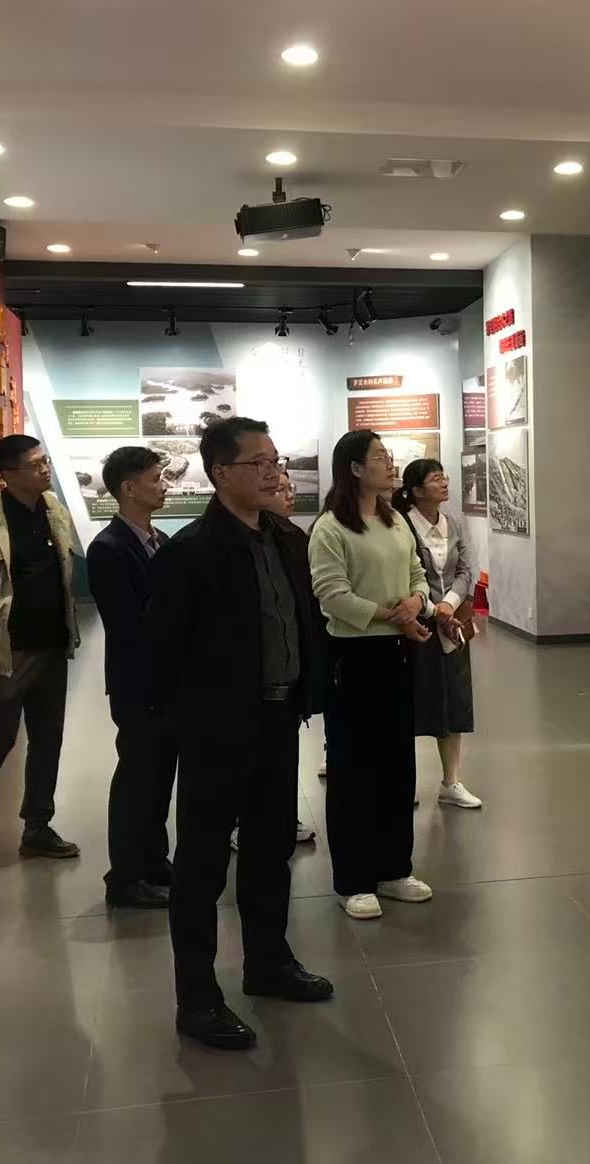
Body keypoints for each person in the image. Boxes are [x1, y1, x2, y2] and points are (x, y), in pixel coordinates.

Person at [144, 417, 334, 1050]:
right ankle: (197, 998)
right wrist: (187, 726)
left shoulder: (286, 538)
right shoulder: (190, 552)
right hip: (216, 731)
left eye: (276, 460)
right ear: (221, 473)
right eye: (259, 463)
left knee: (270, 848)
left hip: (279, 719)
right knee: (201, 866)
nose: (273, 472)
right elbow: (162, 653)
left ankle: (268, 962)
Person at [309, 430, 434, 921]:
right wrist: (391, 615)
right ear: (355, 468)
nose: (389, 463)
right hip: (353, 656)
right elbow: (331, 595)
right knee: (353, 769)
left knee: (397, 764)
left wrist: (417, 602)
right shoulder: (330, 528)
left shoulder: (394, 518)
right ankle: (354, 879)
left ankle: (394, 868)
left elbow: (417, 573)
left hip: (397, 653)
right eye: (380, 457)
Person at [0, 435, 84, 867]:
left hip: (52, 644)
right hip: (7, 651)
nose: (45, 470)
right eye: (35, 464)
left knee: (48, 740)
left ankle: (37, 827)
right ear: (8, 474)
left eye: (45, 462)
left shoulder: (54, 511)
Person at [88, 446, 177, 908]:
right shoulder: (108, 548)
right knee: (137, 780)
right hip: (137, 683)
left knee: (159, 779)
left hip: (166, 682)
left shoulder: (159, 539)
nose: (164, 486)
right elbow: (128, 624)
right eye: (156, 478)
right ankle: (124, 876)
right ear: (128, 487)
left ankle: (154, 861)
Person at [392, 459, 483, 809]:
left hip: (453, 622)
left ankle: (451, 781)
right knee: (412, 702)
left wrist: (449, 604)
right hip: (416, 625)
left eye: (444, 476)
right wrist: (434, 610)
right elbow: (404, 575)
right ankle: (405, 782)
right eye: (435, 478)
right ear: (415, 490)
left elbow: (465, 569)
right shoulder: (401, 525)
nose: (444, 482)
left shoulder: (452, 522)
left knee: (454, 702)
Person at [266, 465, 318, 845]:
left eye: (290, 487)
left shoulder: (293, 538)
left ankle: (283, 817)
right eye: (280, 488)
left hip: (291, 669)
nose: (289, 495)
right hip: (256, 678)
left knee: (283, 754)